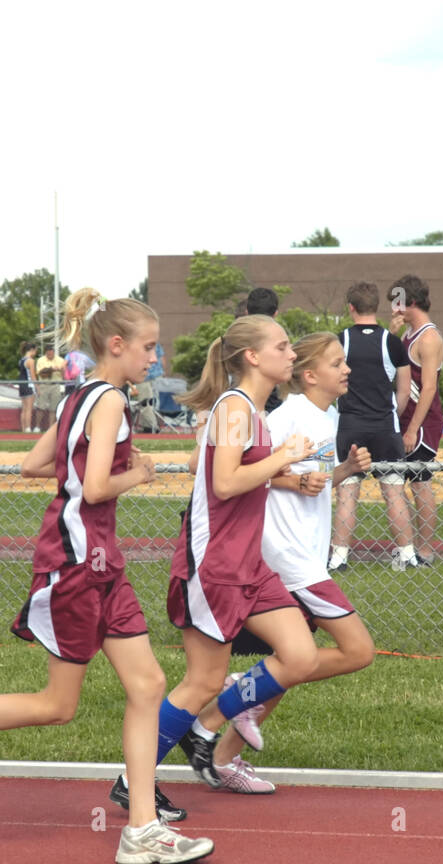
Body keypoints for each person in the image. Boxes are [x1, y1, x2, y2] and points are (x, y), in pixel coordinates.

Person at [0, 289, 213, 864]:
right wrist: (141, 472)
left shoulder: (78, 397)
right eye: (150, 348)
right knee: (58, 704)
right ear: (116, 344)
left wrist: (100, 472)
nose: (156, 359)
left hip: (104, 565)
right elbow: (98, 486)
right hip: (76, 565)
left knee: (149, 686)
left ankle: (141, 830)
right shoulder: (108, 402)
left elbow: (36, 464)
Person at [155, 314, 319, 798]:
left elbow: (206, 466)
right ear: (253, 356)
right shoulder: (234, 408)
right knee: (202, 680)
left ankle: (205, 731)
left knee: (300, 655)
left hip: (250, 563)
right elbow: (223, 482)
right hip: (216, 564)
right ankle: (133, 782)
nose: (292, 354)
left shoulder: (254, 411)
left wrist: (283, 476)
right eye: (284, 347)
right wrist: (282, 457)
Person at [207, 333, 375, 792]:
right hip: (288, 557)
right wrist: (290, 483)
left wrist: (343, 473)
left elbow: (308, 477)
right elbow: (249, 472)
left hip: (305, 551)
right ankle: (245, 685)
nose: (347, 370)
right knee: (358, 650)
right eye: (338, 363)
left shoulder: (328, 416)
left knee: (290, 661)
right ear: (310, 375)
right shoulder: (285, 417)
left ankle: (225, 759)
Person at [328, 281, 418, 571]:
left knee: (347, 494)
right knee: (394, 492)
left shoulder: (339, 340)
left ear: (350, 307)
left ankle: (339, 558)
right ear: (376, 307)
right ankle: (407, 556)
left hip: (350, 426)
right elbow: (404, 391)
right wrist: (391, 415)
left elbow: (329, 384)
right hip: (384, 428)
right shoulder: (391, 342)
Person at [388, 274, 443, 566]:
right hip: (405, 418)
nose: (394, 311)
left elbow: (429, 388)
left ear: (411, 302)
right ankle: (409, 547)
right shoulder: (408, 335)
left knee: (420, 482)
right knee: (401, 482)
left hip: (422, 423)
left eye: (398, 304)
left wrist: (412, 429)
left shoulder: (429, 337)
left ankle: (425, 550)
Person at [133, 340, 166, 433]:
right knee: (154, 403)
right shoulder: (155, 343)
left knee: (145, 403)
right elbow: (162, 359)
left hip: (144, 377)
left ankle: (152, 427)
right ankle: (147, 427)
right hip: (158, 376)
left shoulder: (138, 344)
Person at [33, 345, 65, 432]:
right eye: (48, 352)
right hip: (44, 384)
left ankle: (51, 427)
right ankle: (37, 426)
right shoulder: (41, 360)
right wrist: (52, 369)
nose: (49, 354)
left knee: (54, 407)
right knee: (41, 406)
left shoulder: (60, 360)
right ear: (45, 353)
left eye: (51, 352)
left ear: (53, 352)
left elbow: (64, 372)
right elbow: (41, 372)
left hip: (56, 385)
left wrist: (60, 370)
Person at [16, 341, 36, 433]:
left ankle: (24, 428)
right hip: (28, 385)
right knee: (29, 409)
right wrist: (37, 387)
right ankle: (28, 428)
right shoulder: (30, 361)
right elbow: (32, 375)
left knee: (24, 408)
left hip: (22, 385)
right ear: (32, 350)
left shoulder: (21, 360)